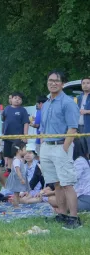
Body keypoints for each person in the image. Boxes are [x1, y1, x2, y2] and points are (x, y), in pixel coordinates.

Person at [40, 70, 81, 229]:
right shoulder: (46, 104)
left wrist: (64, 148)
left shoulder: (68, 102)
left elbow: (73, 128)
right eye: (50, 80)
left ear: (63, 84)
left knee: (67, 184)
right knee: (56, 183)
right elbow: (43, 128)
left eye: (57, 81)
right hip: (47, 147)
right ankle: (62, 214)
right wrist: (43, 143)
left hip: (61, 146)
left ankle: (74, 218)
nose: (53, 83)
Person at [46, 139, 90, 213]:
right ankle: (63, 209)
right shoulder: (74, 160)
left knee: (53, 200)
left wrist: (52, 192)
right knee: (52, 199)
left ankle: (64, 210)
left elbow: (68, 180)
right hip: (77, 196)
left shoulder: (80, 161)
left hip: (85, 198)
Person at [1, 92, 30, 169]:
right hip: (7, 137)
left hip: (19, 138)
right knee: (9, 155)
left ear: (21, 101)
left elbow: (26, 123)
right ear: (11, 99)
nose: (17, 100)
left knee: (19, 154)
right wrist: (2, 133)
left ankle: (21, 169)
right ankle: (9, 170)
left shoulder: (23, 110)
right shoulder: (7, 108)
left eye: (19, 99)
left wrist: (25, 136)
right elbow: (3, 121)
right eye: (15, 98)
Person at [5, 142, 30, 206]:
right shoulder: (16, 160)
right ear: (19, 150)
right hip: (17, 179)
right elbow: (17, 170)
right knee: (16, 194)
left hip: (19, 178)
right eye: (24, 149)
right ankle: (15, 205)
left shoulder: (20, 159)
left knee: (18, 193)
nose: (26, 150)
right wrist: (21, 179)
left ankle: (17, 204)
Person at [77, 77, 90, 156]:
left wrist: (86, 111)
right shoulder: (79, 97)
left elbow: (84, 111)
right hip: (80, 126)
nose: (85, 85)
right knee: (84, 150)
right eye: (83, 83)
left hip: (89, 126)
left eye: (88, 83)